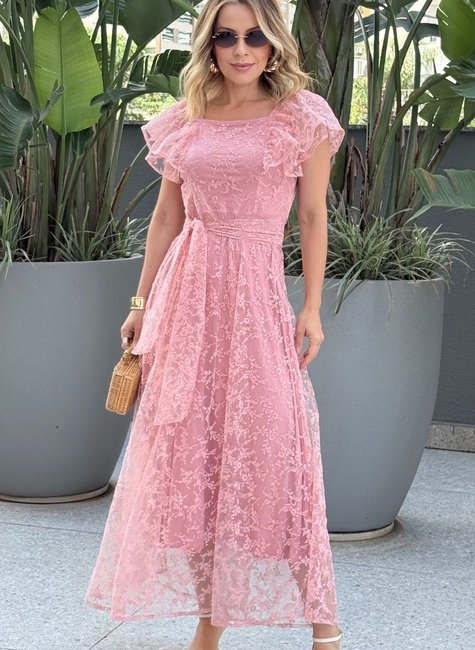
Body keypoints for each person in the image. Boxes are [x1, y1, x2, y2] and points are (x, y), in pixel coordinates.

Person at [84, 1, 345, 648]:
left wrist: (312, 307)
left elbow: (313, 217)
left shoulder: (302, 118)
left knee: (280, 455)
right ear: (209, 45)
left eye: (255, 36)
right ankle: (208, 628)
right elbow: (166, 219)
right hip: (187, 297)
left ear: (274, 43)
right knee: (196, 456)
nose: (241, 49)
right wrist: (140, 303)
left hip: (256, 297)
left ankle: (325, 624)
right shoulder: (188, 116)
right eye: (226, 37)